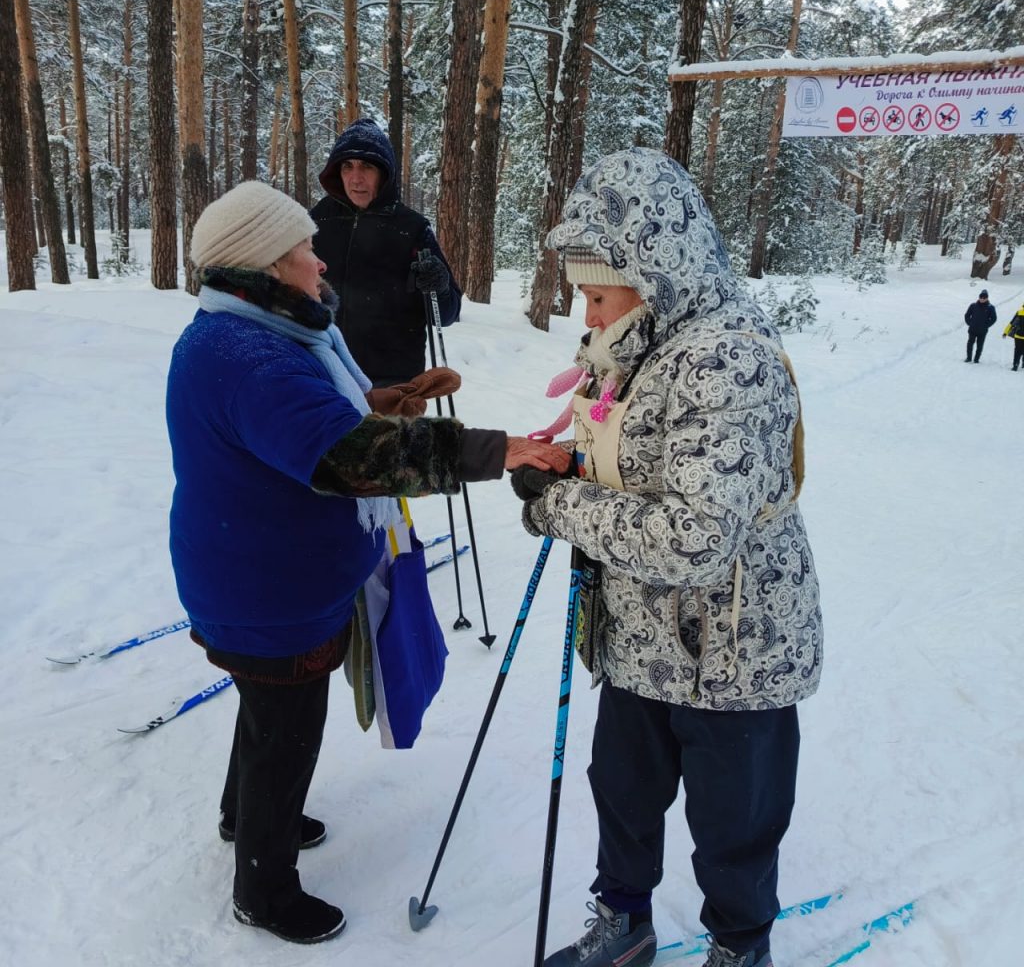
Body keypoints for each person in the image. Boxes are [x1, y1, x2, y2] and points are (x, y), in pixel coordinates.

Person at [165, 180, 568, 946]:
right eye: (303, 250)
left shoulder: (247, 332)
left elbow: (315, 421)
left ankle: (240, 816)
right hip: (269, 589)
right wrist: (495, 449)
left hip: (256, 571)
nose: (319, 261)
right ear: (265, 264)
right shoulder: (251, 357)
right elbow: (348, 457)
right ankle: (265, 887)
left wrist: (383, 399)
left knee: (267, 710)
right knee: (287, 727)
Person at [511, 149, 822, 967]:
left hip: (733, 648)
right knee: (623, 793)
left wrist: (563, 509)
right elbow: (642, 468)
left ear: (654, 271)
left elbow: (694, 537)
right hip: (643, 635)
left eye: (598, 286)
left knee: (734, 821)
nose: (588, 305)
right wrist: (569, 471)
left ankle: (739, 944)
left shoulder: (728, 357)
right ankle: (625, 922)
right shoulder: (638, 347)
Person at [310, 117, 460, 388]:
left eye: (367, 166)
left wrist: (440, 286)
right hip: (325, 376)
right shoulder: (317, 221)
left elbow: (446, 315)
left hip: (393, 385)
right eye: (347, 166)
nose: (356, 178)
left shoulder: (412, 228)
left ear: (384, 172)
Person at [964, 289, 997, 363]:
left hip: (982, 330)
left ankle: (976, 359)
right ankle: (969, 358)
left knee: (980, 345)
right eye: (981, 297)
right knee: (970, 343)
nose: (982, 299)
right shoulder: (973, 305)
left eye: (984, 298)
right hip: (972, 329)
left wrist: (986, 325)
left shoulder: (990, 307)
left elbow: (994, 318)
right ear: (979, 297)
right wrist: (970, 323)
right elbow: (967, 315)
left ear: (987, 298)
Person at [1003, 302, 1024, 370]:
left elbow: (1011, 323)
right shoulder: (1019, 312)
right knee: (1019, 350)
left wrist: (1005, 332)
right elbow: (1012, 323)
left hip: (1018, 336)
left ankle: (1016, 365)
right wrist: (1005, 332)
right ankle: (1019, 364)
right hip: (1018, 336)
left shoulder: (1019, 312)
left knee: (1018, 351)